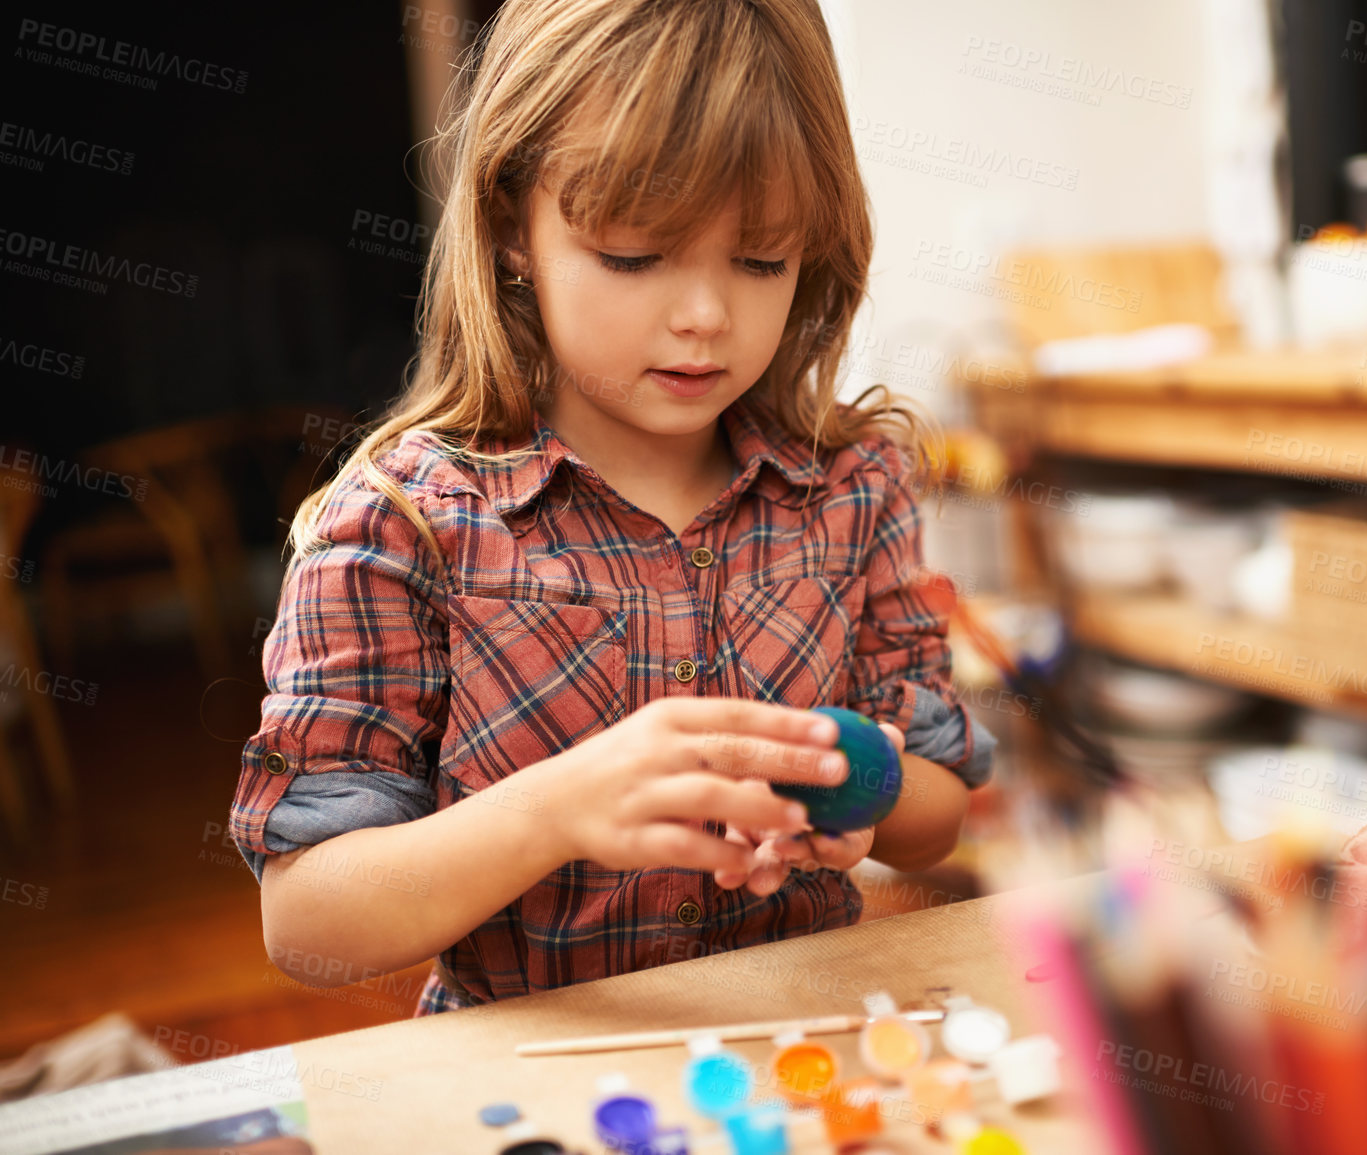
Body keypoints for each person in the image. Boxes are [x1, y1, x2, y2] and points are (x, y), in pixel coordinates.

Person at [228, 0, 995, 1015]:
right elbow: (309, 926)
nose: (705, 316)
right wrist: (560, 809)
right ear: (511, 228)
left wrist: (854, 790)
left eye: (762, 258)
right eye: (635, 256)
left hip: (801, 1057)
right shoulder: (401, 524)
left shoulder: (853, 487)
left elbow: (938, 811)